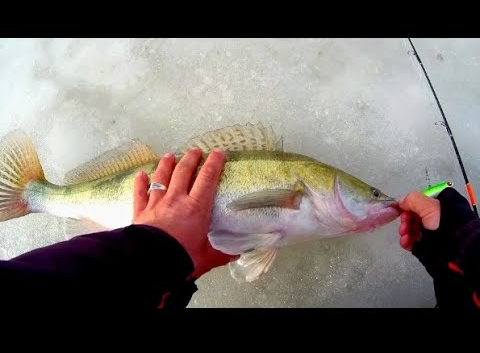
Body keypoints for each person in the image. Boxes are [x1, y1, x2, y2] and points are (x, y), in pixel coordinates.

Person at [0, 147, 478, 309]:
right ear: (320, 191)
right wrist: (462, 247)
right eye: (372, 195)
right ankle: (36, 195)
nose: (382, 205)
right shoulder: (300, 187)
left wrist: (161, 265)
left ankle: (36, 195)